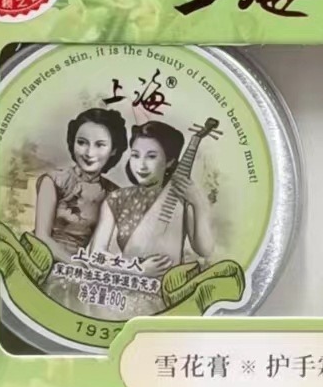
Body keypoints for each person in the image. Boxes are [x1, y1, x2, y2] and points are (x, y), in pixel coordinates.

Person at [90, 120, 215, 277]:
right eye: (135, 155)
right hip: (129, 282)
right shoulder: (117, 199)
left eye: (151, 156)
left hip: (170, 285)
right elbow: (95, 255)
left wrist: (199, 204)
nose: (141, 165)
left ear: (169, 162)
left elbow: (205, 250)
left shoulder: (181, 199)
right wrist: (136, 269)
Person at [33, 107, 127, 264]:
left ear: (113, 150)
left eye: (100, 145)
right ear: (72, 142)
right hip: (41, 259)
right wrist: (75, 264)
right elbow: (41, 237)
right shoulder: (54, 181)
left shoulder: (113, 193)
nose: (89, 153)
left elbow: (103, 246)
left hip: (81, 265)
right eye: (82, 143)